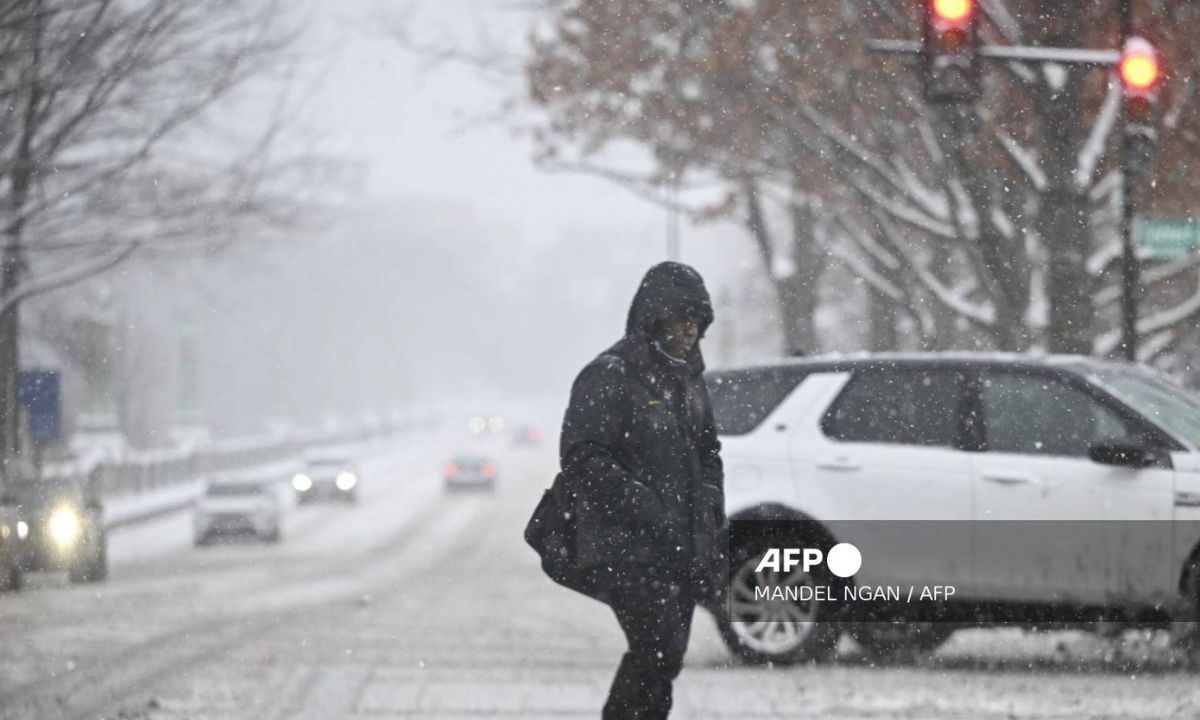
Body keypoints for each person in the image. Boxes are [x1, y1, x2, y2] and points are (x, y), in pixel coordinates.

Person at [560, 261, 726, 720]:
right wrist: (643, 505)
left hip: (680, 545)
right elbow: (581, 457)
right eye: (682, 316)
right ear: (655, 316)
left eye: (698, 318)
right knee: (656, 651)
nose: (691, 328)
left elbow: (708, 450)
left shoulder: (688, 379)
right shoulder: (609, 374)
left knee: (663, 660)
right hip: (628, 548)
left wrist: (710, 502)